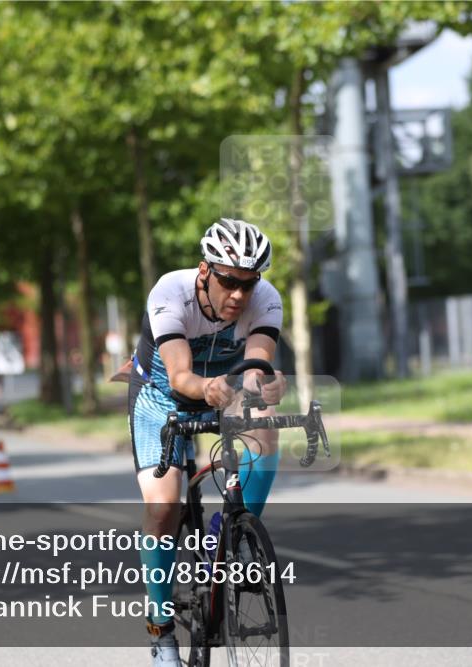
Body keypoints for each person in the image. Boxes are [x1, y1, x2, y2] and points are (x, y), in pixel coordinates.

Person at [128, 218, 288, 666]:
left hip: (224, 388)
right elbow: (179, 376)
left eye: (249, 284)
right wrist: (205, 389)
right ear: (205, 271)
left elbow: (257, 362)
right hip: (160, 398)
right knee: (163, 506)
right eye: (229, 281)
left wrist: (264, 384)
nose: (239, 295)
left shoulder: (267, 300)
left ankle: (235, 538)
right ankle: (160, 632)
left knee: (265, 418)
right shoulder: (169, 293)